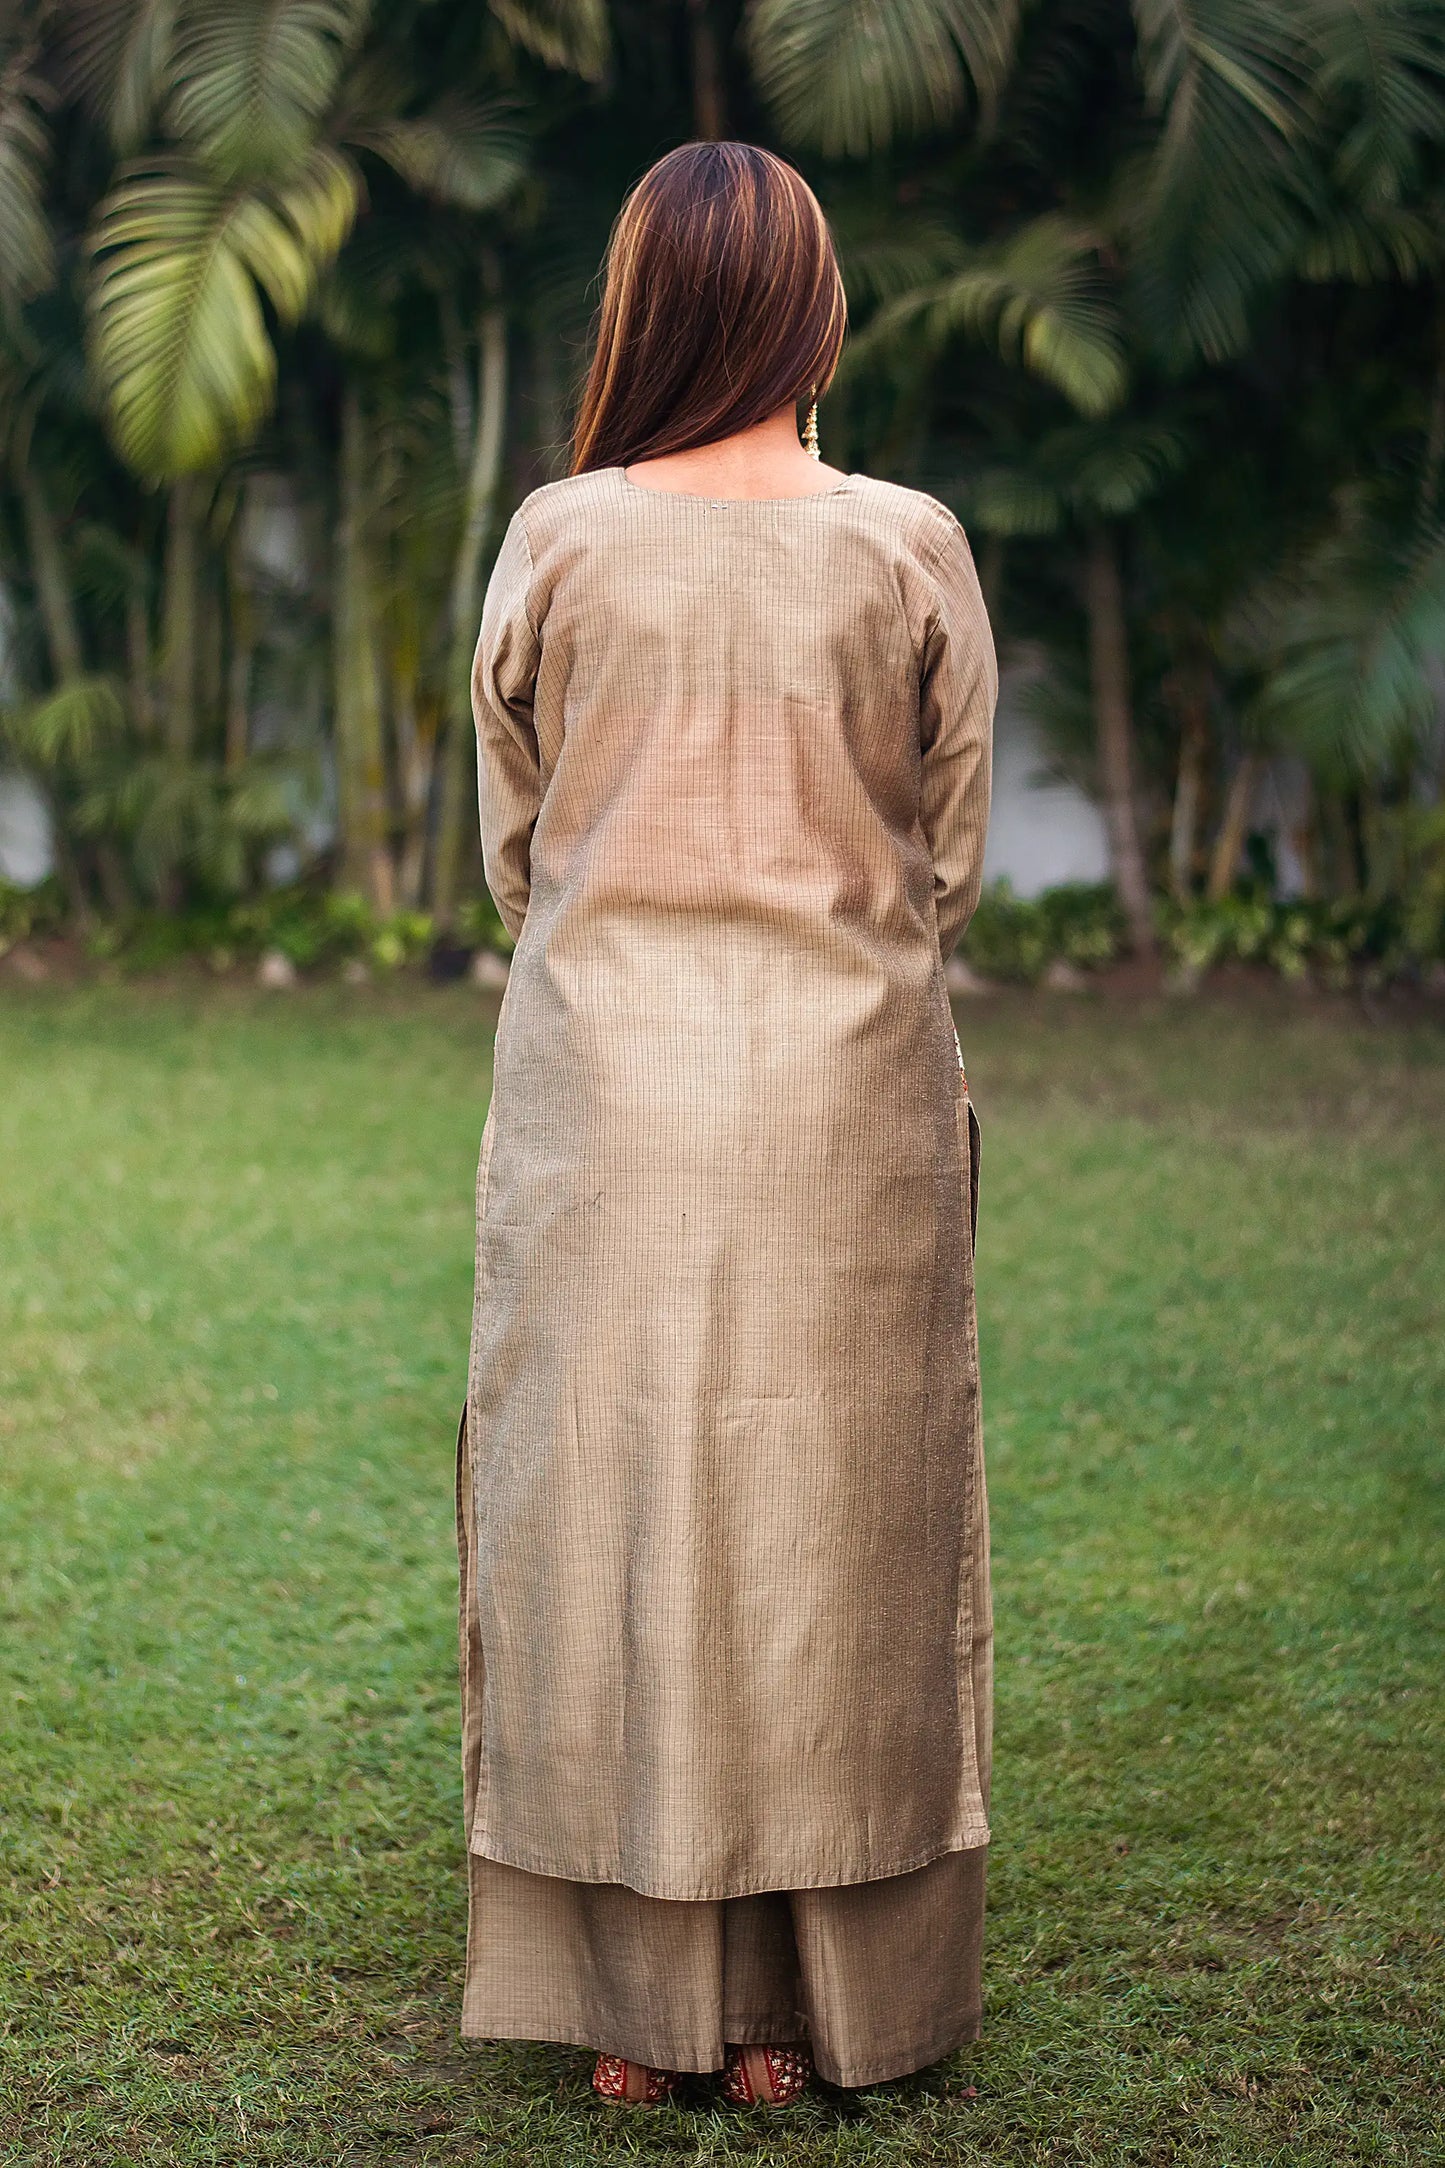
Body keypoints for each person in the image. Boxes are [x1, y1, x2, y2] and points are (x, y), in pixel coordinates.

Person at [457, 140, 996, 2108]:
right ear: (814, 312)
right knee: (835, 1527)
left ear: (639, 312)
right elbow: (946, 854)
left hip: (604, 1098)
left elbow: (517, 849)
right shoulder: (905, 542)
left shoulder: (557, 538)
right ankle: (801, 2019)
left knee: (608, 1509)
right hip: (844, 1099)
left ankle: (632, 2011)